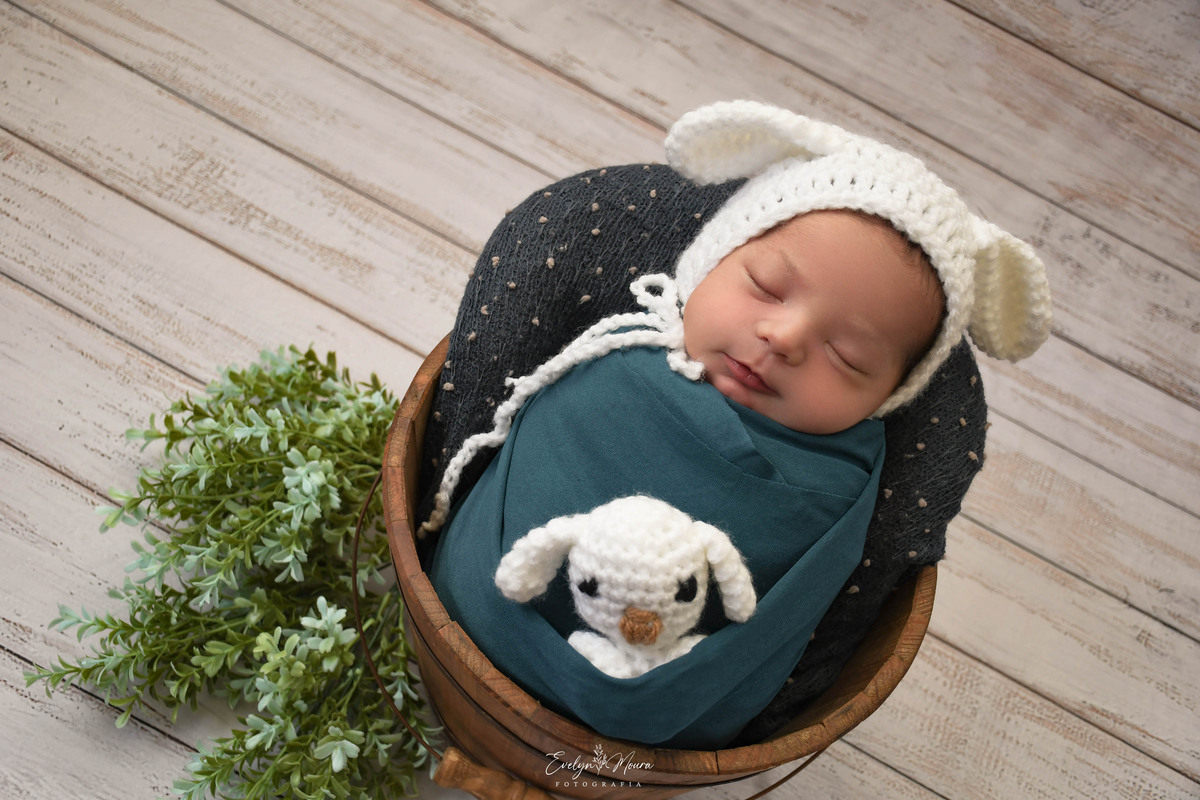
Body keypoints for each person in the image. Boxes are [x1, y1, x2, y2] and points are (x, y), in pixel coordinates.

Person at [417, 101, 1053, 749]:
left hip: (655, 733)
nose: (783, 338)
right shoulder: (612, 352)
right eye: (768, 287)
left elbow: (789, 616)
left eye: (848, 355)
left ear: (888, 399)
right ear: (709, 262)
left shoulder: (842, 484)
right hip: (459, 618)